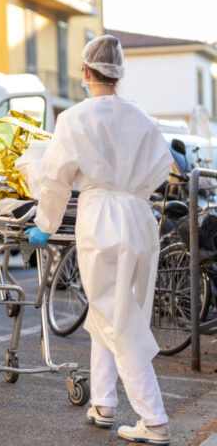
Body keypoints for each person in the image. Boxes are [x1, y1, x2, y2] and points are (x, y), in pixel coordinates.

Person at [25, 35, 173, 445]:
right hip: (140, 218)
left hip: (102, 221)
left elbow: (55, 179)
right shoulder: (142, 117)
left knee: (117, 318)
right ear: (119, 73)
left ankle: (154, 420)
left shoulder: (74, 118)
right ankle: (104, 403)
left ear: (86, 72)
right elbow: (163, 167)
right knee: (116, 312)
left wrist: (45, 225)